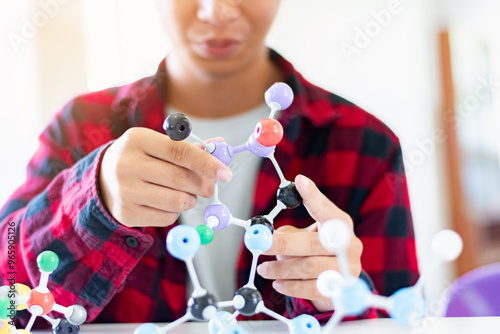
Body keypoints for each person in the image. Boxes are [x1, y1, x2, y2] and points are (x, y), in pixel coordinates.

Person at [0, 0, 418, 326]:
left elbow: (403, 320)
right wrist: (93, 201)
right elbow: (7, 311)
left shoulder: (366, 146)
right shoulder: (80, 128)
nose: (216, 11)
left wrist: (343, 299)